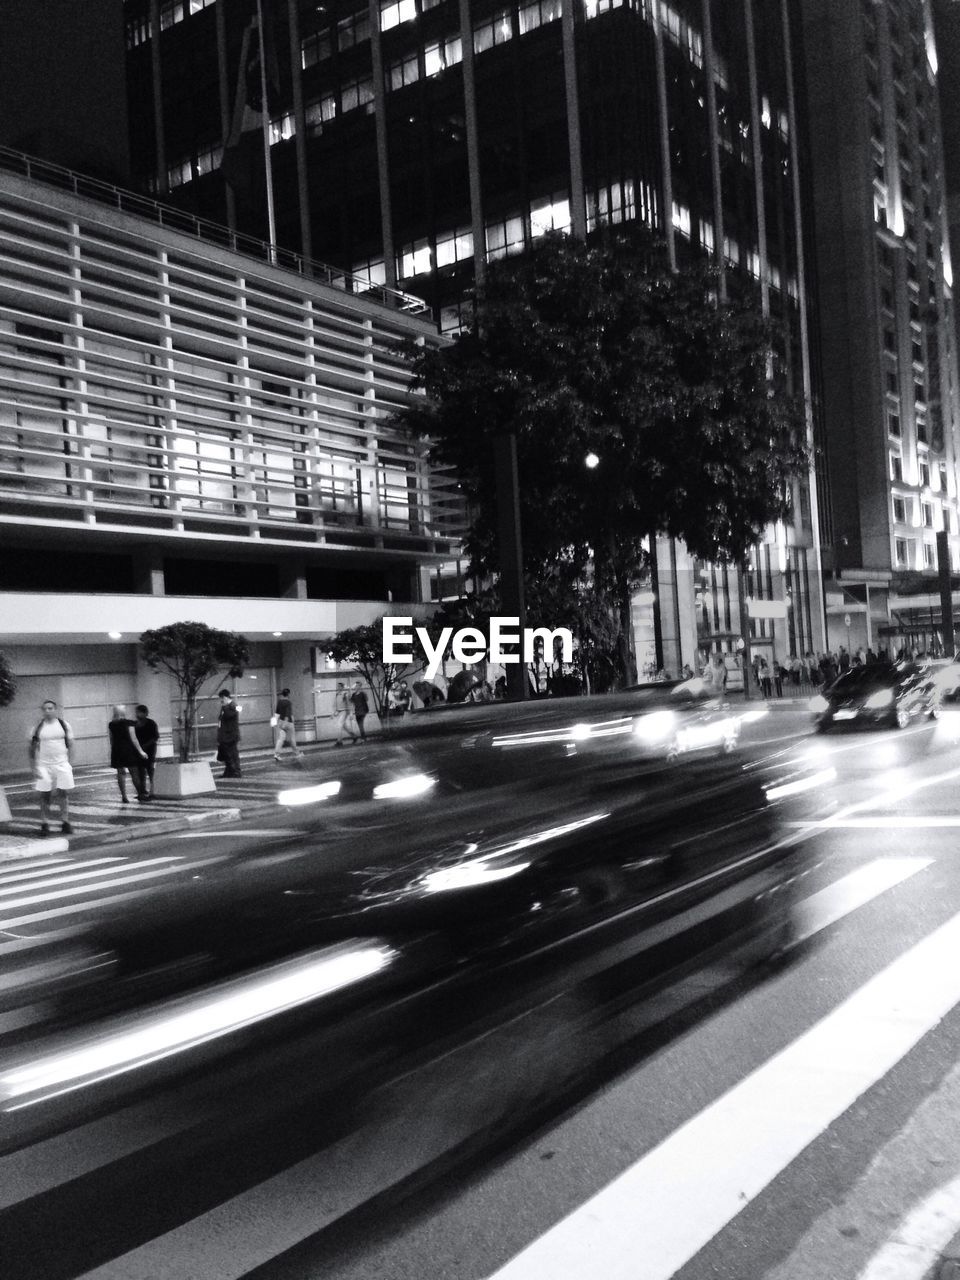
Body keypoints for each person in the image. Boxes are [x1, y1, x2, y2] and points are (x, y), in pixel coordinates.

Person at [29, 699, 75, 836]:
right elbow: (31, 748)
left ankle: (65, 822)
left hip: (62, 764)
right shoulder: (38, 728)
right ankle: (44, 823)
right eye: (45, 709)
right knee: (44, 795)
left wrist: (69, 764)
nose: (48, 711)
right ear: (42, 711)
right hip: (43, 765)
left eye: (50, 708)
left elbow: (71, 745)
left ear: (55, 710)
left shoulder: (64, 725)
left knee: (63, 793)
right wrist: (34, 767)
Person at [109, 704, 149, 803]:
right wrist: (141, 751)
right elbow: (134, 738)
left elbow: (111, 739)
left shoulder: (111, 724)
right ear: (123, 712)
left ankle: (124, 796)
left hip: (116, 750)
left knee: (120, 773)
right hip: (128, 750)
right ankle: (140, 793)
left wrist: (112, 750)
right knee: (134, 772)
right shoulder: (129, 723)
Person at [134, 705, 160, 795]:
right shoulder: (135, 724)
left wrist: (146, 745)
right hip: (139, 751)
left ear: (144, 713)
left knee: (150, 769)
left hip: (150, 750)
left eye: (138, 712)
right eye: (136, 712)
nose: (136, 714)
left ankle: (153, 789)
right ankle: (142, 790)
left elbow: (155, 736)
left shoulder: (151, 723)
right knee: (140, 771)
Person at [217, 689, 242, 778]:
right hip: (225, 735)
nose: (221, 701)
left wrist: (224, 707)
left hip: (231, 735)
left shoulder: (233, 706)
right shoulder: (226, 706)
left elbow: (229, 715)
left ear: (225, 697)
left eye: (222, 698)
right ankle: (229, 771)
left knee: (233, 754)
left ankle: (236, 772)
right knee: (227, 754)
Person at [273, 687, 303, 761]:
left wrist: (274, 723)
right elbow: (288, 714)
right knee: (292, 739)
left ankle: (276, 754)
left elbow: (276, 713)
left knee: (280, 739)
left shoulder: (279, 702)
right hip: (288, 723)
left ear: (282, 694)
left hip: (280, 722)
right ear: (288, 694)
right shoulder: (288, 702)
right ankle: (297, 753)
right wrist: (286, 723)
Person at [333, 681, 357, 746]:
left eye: (339, 686)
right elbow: (335, 704)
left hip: (344, 711)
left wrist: (351, 713)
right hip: (339, 712)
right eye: (337, 686)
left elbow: (349, 703)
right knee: (344, 726)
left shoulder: (345, 694)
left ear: (342, 687)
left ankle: (339, 741)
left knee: (339, 725)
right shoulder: (337, 694)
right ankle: (354, 736)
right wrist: (334, 712)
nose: (338, 687)